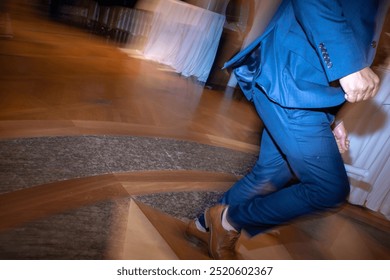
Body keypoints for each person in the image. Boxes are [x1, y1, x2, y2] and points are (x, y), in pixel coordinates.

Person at [185, 0, 389, 259]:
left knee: (270, 173)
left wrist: (334, 116)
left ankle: (203, 225)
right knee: (328, 189)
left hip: (310, 85)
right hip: (292, 80)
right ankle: (228, 220)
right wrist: (348, 66)